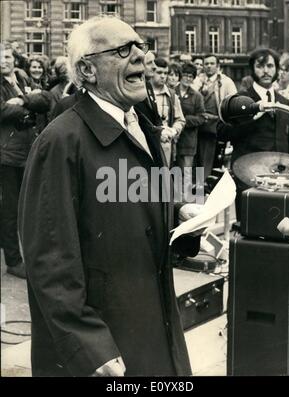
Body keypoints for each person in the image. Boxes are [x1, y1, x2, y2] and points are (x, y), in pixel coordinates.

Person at [18, 17, 202, 377]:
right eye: (122, 51)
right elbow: (49, 259)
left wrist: (181, 216)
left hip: (153, 331)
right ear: (87, 70)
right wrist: (89, 348)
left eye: (140, 47)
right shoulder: (60, 142)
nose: (140, 58)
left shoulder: (144, 129)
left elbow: (134, 214)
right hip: (107, 351)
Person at [217, 48, 289, 219]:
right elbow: (222, 132)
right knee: (250, 230)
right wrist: (251, 117)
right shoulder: (241, 99)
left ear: (277, 69)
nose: (266, 71)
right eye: (260, 66)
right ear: (252, 69)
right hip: (249, 179)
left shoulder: (283, 101)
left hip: (280, 182)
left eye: (270, 65)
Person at [0, 42, 51, 279]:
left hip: (27, 153)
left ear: (14, 59)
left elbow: (46, 101)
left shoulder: (21, 79)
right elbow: (2, 112)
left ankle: (30, 257)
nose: (4, 61)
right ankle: (13, 260)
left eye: (7, 56)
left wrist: (21, 101)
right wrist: (29, 104)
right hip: (8, 156)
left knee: (29, 209)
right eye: (0, 58)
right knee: (10, 210)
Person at [197, 54, 237, 180]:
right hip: (200, 126)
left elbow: (233, 102)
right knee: (200, 160)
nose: (209, 66)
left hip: (218, 126)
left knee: (217, 161)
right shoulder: (197, 81)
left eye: (212, 63)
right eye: (206, 64)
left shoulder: (226, 81)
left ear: (218, 66)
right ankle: (201, 187)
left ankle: (212, 186)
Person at [175, 63, 206, 182]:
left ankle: (186, 197)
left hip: (189, 139)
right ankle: (174, 198)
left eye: (191, 76)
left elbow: (202, 117)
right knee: (173, 169)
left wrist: (184, 120)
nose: (188, 78)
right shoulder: (172, 92)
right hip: (174, 138)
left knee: (187, 171)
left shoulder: (197, 96)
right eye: (185, 75)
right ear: (180, 76)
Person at [151, 57, 185, 166]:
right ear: (152, 72)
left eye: (165, 73)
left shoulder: (171, 95)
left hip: (165, 145)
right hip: (147, 143)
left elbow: (180, 120)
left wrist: (173, 131)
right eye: (159, 72)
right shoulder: (143, 93)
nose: (163, 76)